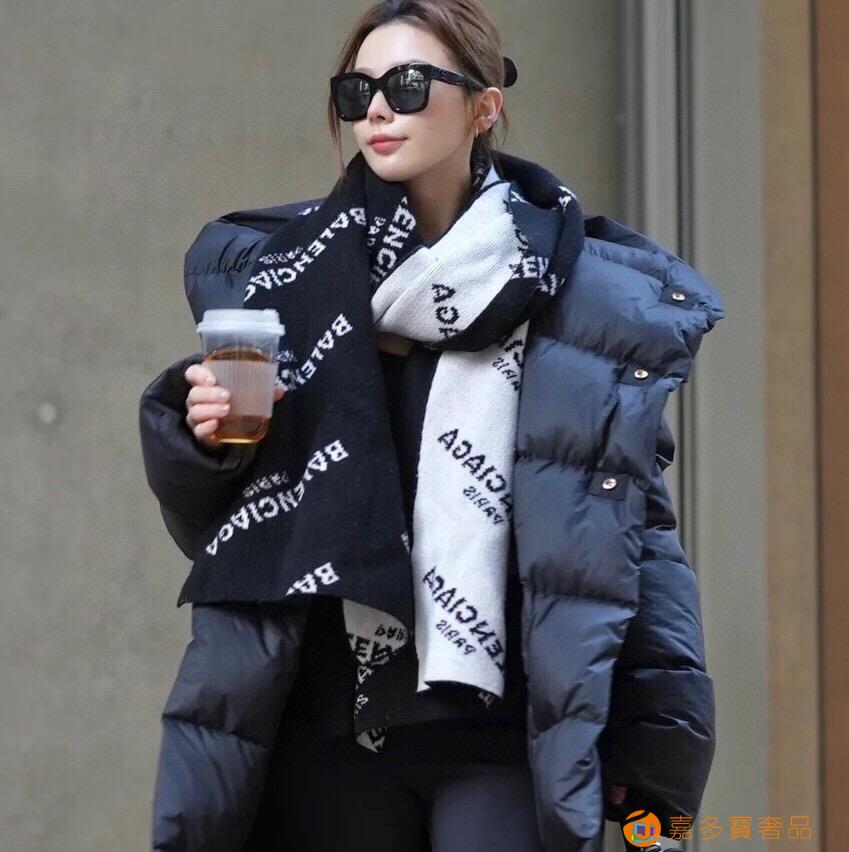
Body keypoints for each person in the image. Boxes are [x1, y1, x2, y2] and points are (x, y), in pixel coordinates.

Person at [140, 1, 725, 850]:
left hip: (501, 733)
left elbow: (631, 534)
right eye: (357, 92)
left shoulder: (574, 295)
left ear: (483, 107)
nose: (377, 109)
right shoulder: (288, 283)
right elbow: (220, 537)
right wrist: (203, 446)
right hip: (326, 732)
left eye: (408, 85)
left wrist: (657, 755)